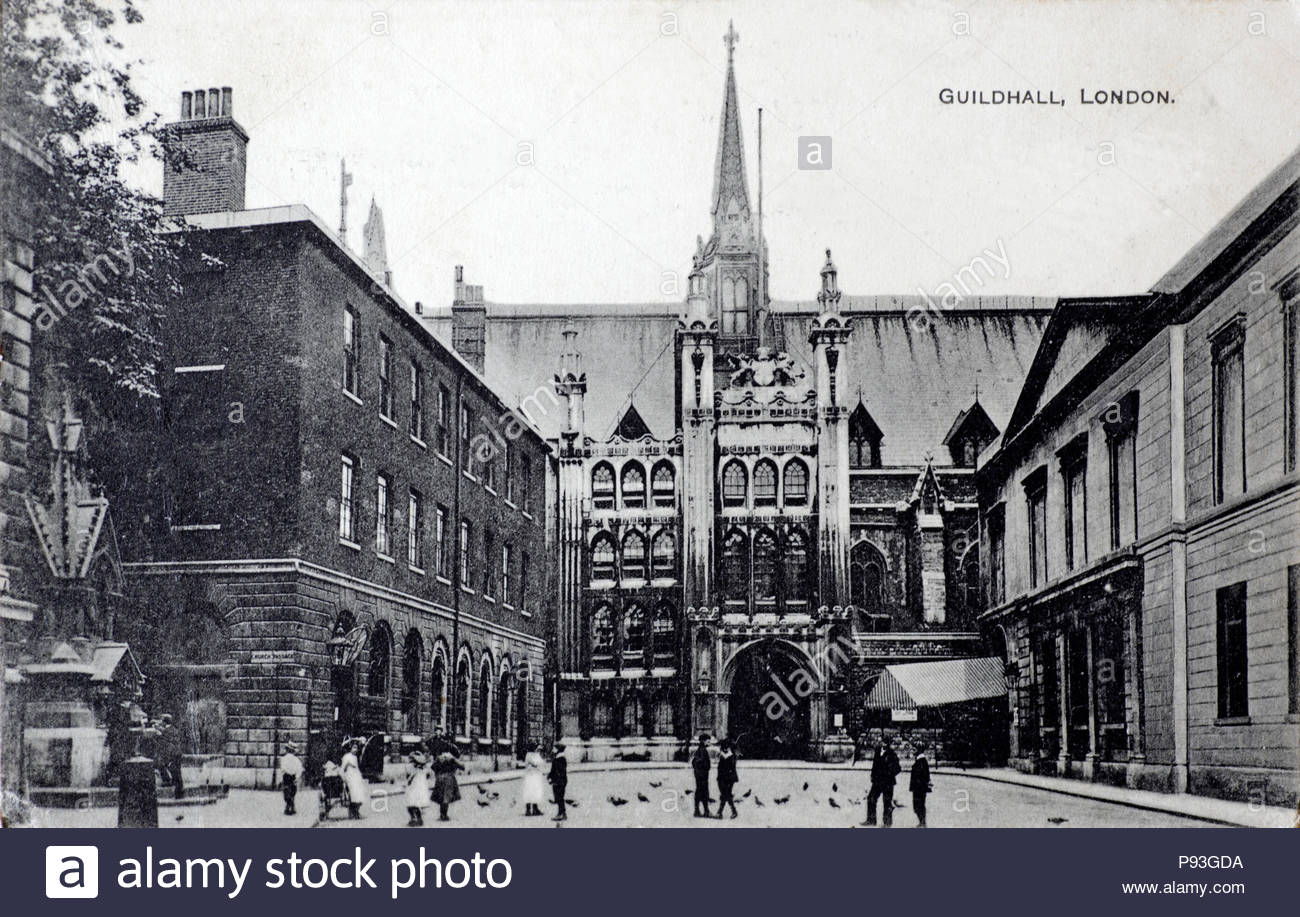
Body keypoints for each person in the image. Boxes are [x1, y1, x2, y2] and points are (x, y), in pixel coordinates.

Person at [863, 735, 901, 827]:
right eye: (879, 741)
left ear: (887, 743)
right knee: (871, 798)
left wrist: (889, 774)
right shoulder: (877, 751)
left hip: (887, 782)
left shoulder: (892, 754)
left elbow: (898, 768)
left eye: (882, 742)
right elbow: (874, 765)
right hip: (877, 781)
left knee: (887, 802)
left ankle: (887, 823)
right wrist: (872, 775)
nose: (880, 743)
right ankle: (871, 820)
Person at [431, 746, 465, 821]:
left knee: (441, 796)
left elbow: (433, 767)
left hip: (439, 778)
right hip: (449, 778)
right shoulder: (452, 758)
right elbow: (462, 766)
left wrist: (438, 774)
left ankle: (442, 815)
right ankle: (444, 815)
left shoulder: (439, 757)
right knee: (446, 797)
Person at [340, 738, 368, 819]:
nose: (355, 750)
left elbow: (357, 769)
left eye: (356, 748)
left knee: (361, 794)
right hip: (350, 778)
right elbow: (343, 769)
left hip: (357, 777)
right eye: (354, 748)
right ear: (350, 748)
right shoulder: (346, 757)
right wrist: (344, 778)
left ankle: (356, 810)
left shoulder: (355, 757)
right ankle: (354, 811)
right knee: (354, 794)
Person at [405, 751, 431, 826]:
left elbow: (408, 777)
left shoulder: (410, 768)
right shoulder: (425, 769)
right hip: (421, 788)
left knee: (411, 804)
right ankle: (419, 819)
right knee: (416, 804)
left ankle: (413, 819)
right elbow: (428, 776)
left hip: (413, 788)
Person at [521, 740, 547, 816]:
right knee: (529, 792)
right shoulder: (529, 755)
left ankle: (535, 809)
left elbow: (541, 763)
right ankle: (528, 809)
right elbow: (536, 763)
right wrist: (538, 764)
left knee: (536, 792)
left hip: (536, 776)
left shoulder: (536, 755)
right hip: (531, 776)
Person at [276, 742, 304, 816]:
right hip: (293, 777)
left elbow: (282, 769)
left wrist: (280, 779)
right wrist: (297, 777)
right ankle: (291, 807)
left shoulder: (284, 759)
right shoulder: (296, 760)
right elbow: (299, 769)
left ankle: (289, 806)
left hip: (286, 777)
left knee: (286, 791)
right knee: (292, 792)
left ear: (287, 750)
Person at [909, 742, 933, 827]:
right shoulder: (920, 760)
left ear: (919, 750)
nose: (912, 751)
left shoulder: (921, 761)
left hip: (919, 788)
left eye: (914, 749)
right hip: (918, 788)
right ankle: (922, 822)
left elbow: (924, 775)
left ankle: (923, 822)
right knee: (918, 806)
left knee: (919, 805)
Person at [715, 738, 739, 819]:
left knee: (726, 794)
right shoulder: (725, 755)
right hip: (723, 778)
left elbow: (728, 767)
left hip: (727, 778)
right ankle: (731, 812)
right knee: (725, 795)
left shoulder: (730, 756)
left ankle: (721, 812)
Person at [691, 734, 712, 818]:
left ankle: (698, 811)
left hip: (699, 774)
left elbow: (694, 762)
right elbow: (700, 762)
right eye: (708, 740)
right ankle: (705, 811)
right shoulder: (703, 750)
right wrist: (704, 769)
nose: (709, 742)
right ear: (703, 741)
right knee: (704, 792)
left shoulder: (700, 749)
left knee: (699, 792)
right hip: (702, 775)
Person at [547, 742, 568, 821]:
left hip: (559, 781)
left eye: (554, 748)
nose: (553, 750)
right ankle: (562, 813)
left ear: (558, 749)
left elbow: (559, 772)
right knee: (559, 797)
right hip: (558, 781)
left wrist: (554, 779)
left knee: (560, 798)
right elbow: (553, 770)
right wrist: (549, 776)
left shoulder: (561, 759)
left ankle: (561, 814)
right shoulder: (557, 758)